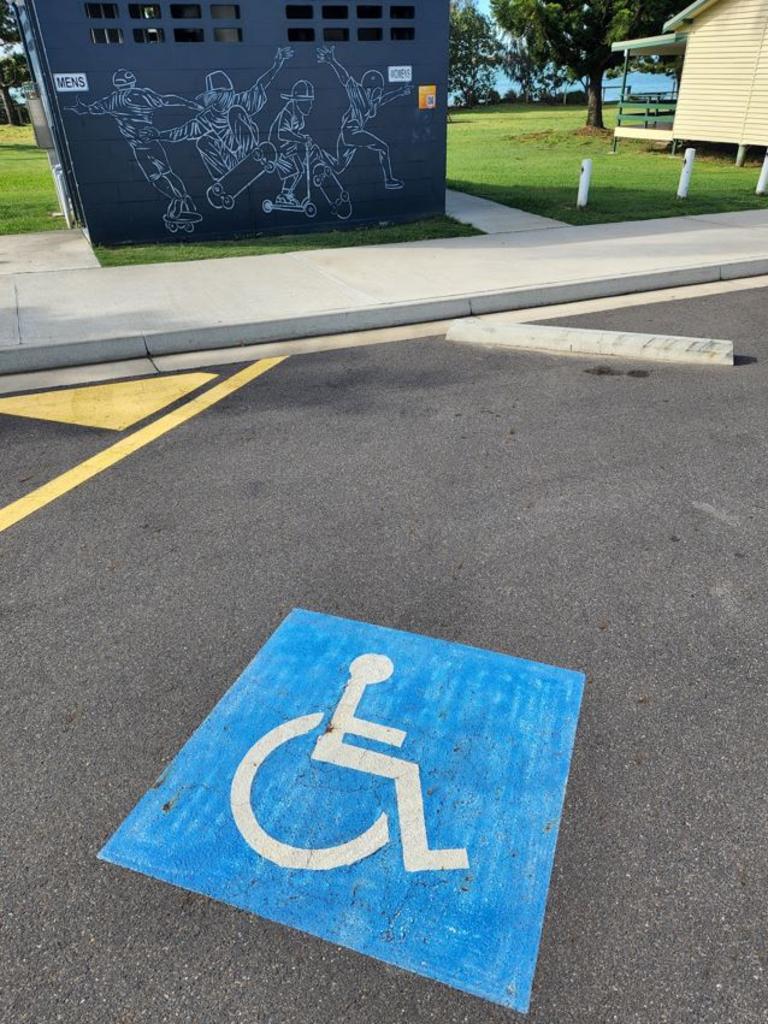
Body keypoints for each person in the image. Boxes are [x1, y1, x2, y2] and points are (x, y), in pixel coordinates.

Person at [69, 69, 201, 229]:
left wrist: (80, 107)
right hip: (150, 143)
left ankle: (179, 199)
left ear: (116, 85)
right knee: (166, 173)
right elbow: (168, 99)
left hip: (139, 146)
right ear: (132, 82)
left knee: (156, 177)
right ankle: (183, 199)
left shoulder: (113, 100)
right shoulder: (143, 95)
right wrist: (190, 104)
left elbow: (90, 109)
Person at [152, 48, 294, 181]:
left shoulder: (239, 101)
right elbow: (182, 131)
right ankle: (224, 180)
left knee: (235, 112)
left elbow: (262, 84)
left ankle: (252, 154)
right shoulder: (208, 117)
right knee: (203, 142)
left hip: (252, 151)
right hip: (233, 159)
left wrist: (277, 64)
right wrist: (158, 134)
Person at [316, 46, 410, 189]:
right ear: (370, 89)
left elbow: (385, 98)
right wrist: (332, 61)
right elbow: (345, 78)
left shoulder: (374, 101)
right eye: (378, 91)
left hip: (346, 136)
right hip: (350, 132)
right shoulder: (358, 93)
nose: (379, 94)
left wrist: (400, 92)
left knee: (338, 167)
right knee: (383, 147)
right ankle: (389, 181)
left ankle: (318, 154)